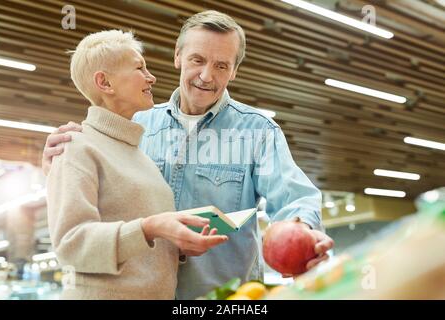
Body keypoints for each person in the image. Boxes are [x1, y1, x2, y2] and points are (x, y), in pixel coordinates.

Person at [43, 11, 334, 300]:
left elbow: (295, 199)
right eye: (197, 60)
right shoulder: (137, 125)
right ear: (178, 56)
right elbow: (93, 206)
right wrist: (61, 162)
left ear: (234, 71)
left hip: (223, 298)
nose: (207, 76)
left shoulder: (257, 131)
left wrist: (305, 235)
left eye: (221, 65)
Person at [46, 29, 227, 300]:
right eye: (139, 68)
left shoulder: (139, 155)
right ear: (104, 83)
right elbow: (70, 245)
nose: (151, 77)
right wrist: (151, 227)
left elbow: (139, 245)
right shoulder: (75, 146)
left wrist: (176, 242)